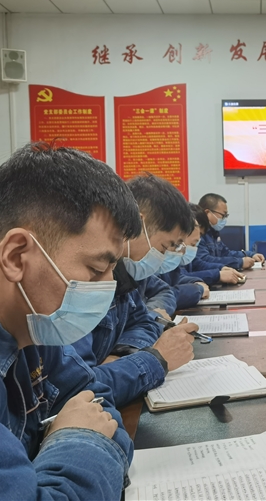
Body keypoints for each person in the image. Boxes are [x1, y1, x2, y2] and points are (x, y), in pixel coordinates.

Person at [0, 143, 139, 499]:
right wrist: (80, 438)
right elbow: (95, 427)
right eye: (96, 269)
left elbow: (96, 401)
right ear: (16, 255)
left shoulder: (31, 319)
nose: (107, 287)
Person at [71, 173, 199, 408]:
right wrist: (157, 359)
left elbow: (143, 321)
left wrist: (123, 354)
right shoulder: (79, 282)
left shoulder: (126, 272)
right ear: (136, 224)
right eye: (165, 247)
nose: (165, 257)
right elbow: (80, 389)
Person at [197, 193, 265, 269]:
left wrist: (250, 255)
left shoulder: (214, 232)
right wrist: (239, 262)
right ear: (207, 212)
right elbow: (205, 260)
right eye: (223, 215)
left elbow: (226, 253)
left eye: (226, 216)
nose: (224, 219)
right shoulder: (197, 233)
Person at [186, 203, 247, 286]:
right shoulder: (175, 252)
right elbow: (180, 278)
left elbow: (198, 264)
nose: (198, 239)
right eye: (223, 215)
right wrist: (217, 275)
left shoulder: (214, 233)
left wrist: (222, 268)